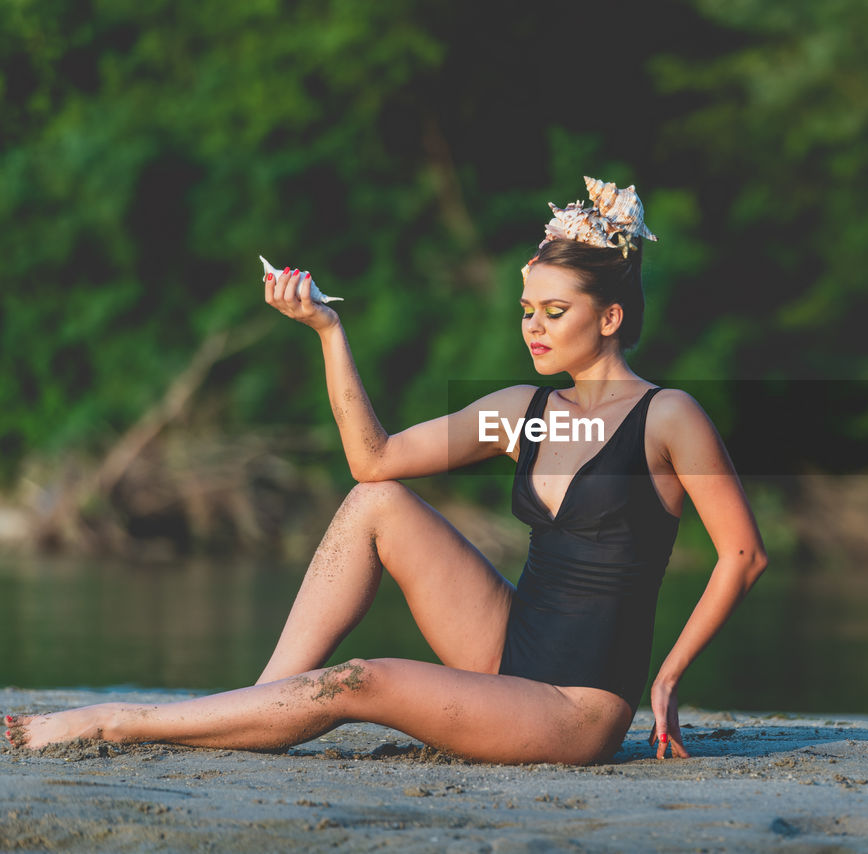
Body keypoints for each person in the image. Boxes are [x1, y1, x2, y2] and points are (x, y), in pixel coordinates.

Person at [4, 177, 767, 764]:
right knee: (377, 501)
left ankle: (117, 720)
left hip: (575, 706)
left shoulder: (668, 418)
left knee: (360, 681)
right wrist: (327, 331)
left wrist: (667, 676)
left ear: (609, 317)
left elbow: (743, 553)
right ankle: (258, 704)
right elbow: (374, 459)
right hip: (508, 652)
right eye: (526, 308)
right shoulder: (523, 412)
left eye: (554, 312)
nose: (533, 326)